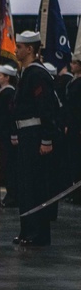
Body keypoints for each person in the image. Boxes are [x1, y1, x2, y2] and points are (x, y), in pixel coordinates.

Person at [11, 31, 58, 247]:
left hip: (36, 134)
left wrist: (46, 139)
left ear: (30, 49)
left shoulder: (37, 74)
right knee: (25, 185)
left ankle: (38, 233)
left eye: (19, 46)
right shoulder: (27, 73)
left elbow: (46, 109)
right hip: (26, 134)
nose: (16, 50)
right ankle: (27, 230)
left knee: (36, 185)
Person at [0, 63, 18, 209]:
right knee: (5, 165)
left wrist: (13, 134)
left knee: (10, 165)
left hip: (8, 134)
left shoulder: (9, 93)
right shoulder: (2, 92)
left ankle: (13, 195)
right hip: (3, 133)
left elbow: (11, 115)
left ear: (7, 78)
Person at [65, 51, 81, 203]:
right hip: (72, 124)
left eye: (75, 63)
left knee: (78, 159)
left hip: (78, 125)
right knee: (73, 159)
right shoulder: (73, 82)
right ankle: (74, 189)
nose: (71, 65)